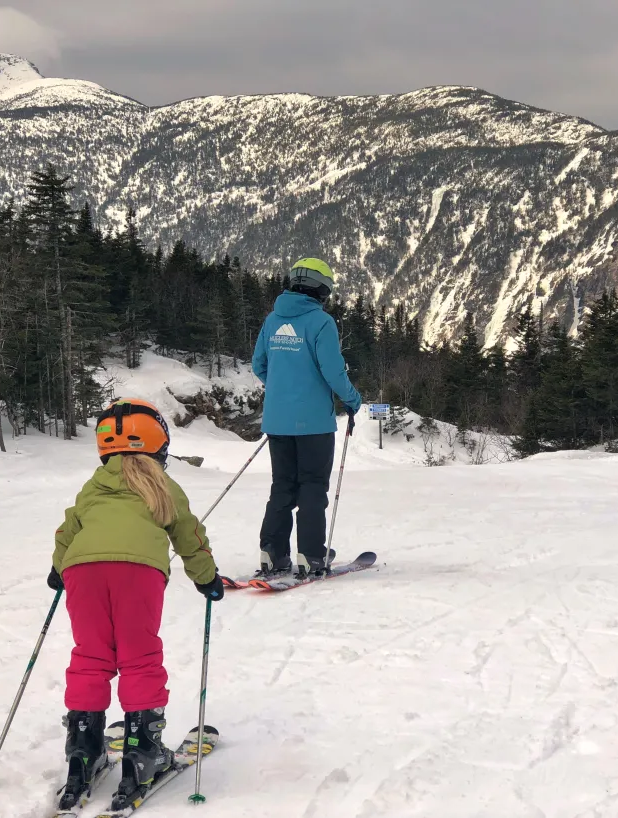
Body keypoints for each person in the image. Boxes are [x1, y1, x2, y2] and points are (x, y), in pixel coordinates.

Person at [46, 398, 224, 811]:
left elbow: (67, 529)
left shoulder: (94, 485)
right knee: (139, 656)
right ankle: (142, 754)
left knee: (90, 655)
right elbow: (189, 535)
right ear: (159, 443)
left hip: (82, 570)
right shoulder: (163, 486)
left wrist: (59, 570)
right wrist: (207, 578)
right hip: (138, 572)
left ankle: (82, 753)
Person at [252, 258, 362, 579]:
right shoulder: (321, 323)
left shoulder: (273, 320)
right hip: (313, 424)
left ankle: (272, 553)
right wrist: (353, 401)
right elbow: (333, 372)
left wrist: (283, 390)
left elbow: (259, 364)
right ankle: (311, 554)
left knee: (283, 486)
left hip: (277, 422)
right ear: (322, 289)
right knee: (312, 485)